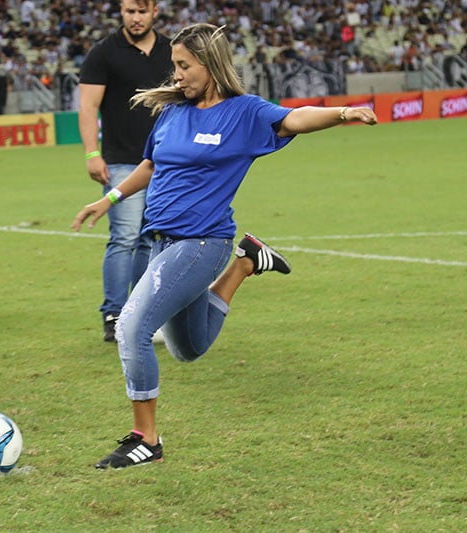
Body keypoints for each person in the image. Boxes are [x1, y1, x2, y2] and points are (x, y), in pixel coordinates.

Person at [72, 23, 378, 469]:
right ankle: (246, 264)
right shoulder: (173, 112)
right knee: (188, 348)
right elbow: (151, 166)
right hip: (162, 241)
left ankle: (146, 440)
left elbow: (294, 118)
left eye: (183, 65)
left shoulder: (244, 112)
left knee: (130, 327)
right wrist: (109, 199)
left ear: (210, 65)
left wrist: (342, 112)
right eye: (173, 65)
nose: (175, 74)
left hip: (201, 242)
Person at [77, 0, 173, 342]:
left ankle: (140, 310)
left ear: (154, 12)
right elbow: (88, 105)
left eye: (141, 12)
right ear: (121, 11)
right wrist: (92, 153)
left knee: (150, 239)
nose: (135, 19)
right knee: (125, 236)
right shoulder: (104, 52)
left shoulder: (171, 50)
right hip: (120, 160)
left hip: (165, 162)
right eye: (130, 11)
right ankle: (113, 313)